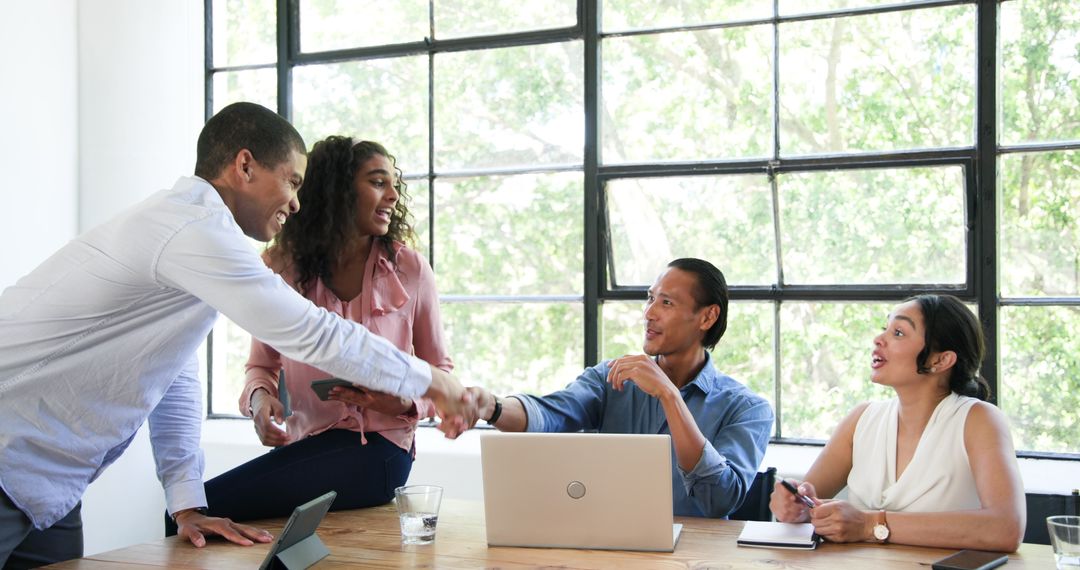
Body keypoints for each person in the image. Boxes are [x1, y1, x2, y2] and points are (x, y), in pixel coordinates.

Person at [0, 103, 474, 567]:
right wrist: (433, 381)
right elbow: (311, 332)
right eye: (291, 181)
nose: (296, 202)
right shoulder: (194, 230)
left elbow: (173, 374)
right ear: (244, 166)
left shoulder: (199, 241)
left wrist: (186, 503)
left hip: (49, 487)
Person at [163, 137, 451, 534]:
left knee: (190, 512)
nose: (393, 195)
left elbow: (441, 372)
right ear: (336, 191)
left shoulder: (411, 269)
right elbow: (261, 366)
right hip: (308, 448)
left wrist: (403, 400)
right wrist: (260, 401)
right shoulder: (282, 267)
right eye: (378, 182)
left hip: (381, 454)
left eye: (392, 184)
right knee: (191, 517)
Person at [467, 258, 774, 518]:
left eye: (666, 302)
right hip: (609, 549)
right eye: (650, 298)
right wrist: (491, 407)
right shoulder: (613, 377)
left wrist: (670, 396)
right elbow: (550, 415)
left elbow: (719, 500)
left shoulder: (747, 409)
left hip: (694, 559)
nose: (649, 313)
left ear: (707, 316)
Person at [769, 294, 1025, 552]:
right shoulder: (861, 419)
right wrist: (794, 507)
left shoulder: (979, 420)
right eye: (885, 329)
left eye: (899, 333)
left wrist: (870, 525)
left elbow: (1006, 528)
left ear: (940, 360)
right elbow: (805, 503)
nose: (879, 339)